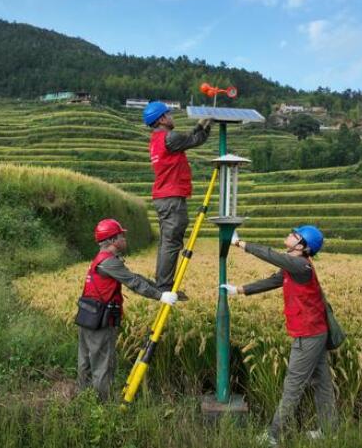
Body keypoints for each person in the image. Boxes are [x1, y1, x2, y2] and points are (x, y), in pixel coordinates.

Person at [222, 226, 337, 445]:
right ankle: (329, 431)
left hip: (308, 335)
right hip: (315, 332)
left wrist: (239, 243)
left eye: (295, 235)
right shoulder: (293, 268)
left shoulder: (300, 265)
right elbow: (272, 281)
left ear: (302, 246)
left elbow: (271, 255)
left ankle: (272, 436)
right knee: (322, 383)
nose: (290, 235)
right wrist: (239, 290)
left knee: (293, 386)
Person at [77, 218, 178, 401]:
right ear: (113, 240)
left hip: (87, 316)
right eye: (122, 235)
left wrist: (158, 288)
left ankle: (84, 400)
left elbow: (134, 276)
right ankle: (102, 406)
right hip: (100, 320)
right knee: (102, 365)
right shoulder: (109, 263)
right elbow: (134, 282)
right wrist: (160, 297)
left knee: (86, 362)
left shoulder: (103, 259)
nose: (125, 238)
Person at [143, 101, 212, 296]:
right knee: (172, 242)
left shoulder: (157, 139)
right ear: (162, 119)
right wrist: (208, 123)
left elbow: (189, 138)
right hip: (171, 197)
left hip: (164, 197)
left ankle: (163, 283)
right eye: (169, 114)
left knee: (167, 242)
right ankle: (164, 286)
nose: (172, 117)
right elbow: (195, 139)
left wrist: (201, 125)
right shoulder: (170, 138)